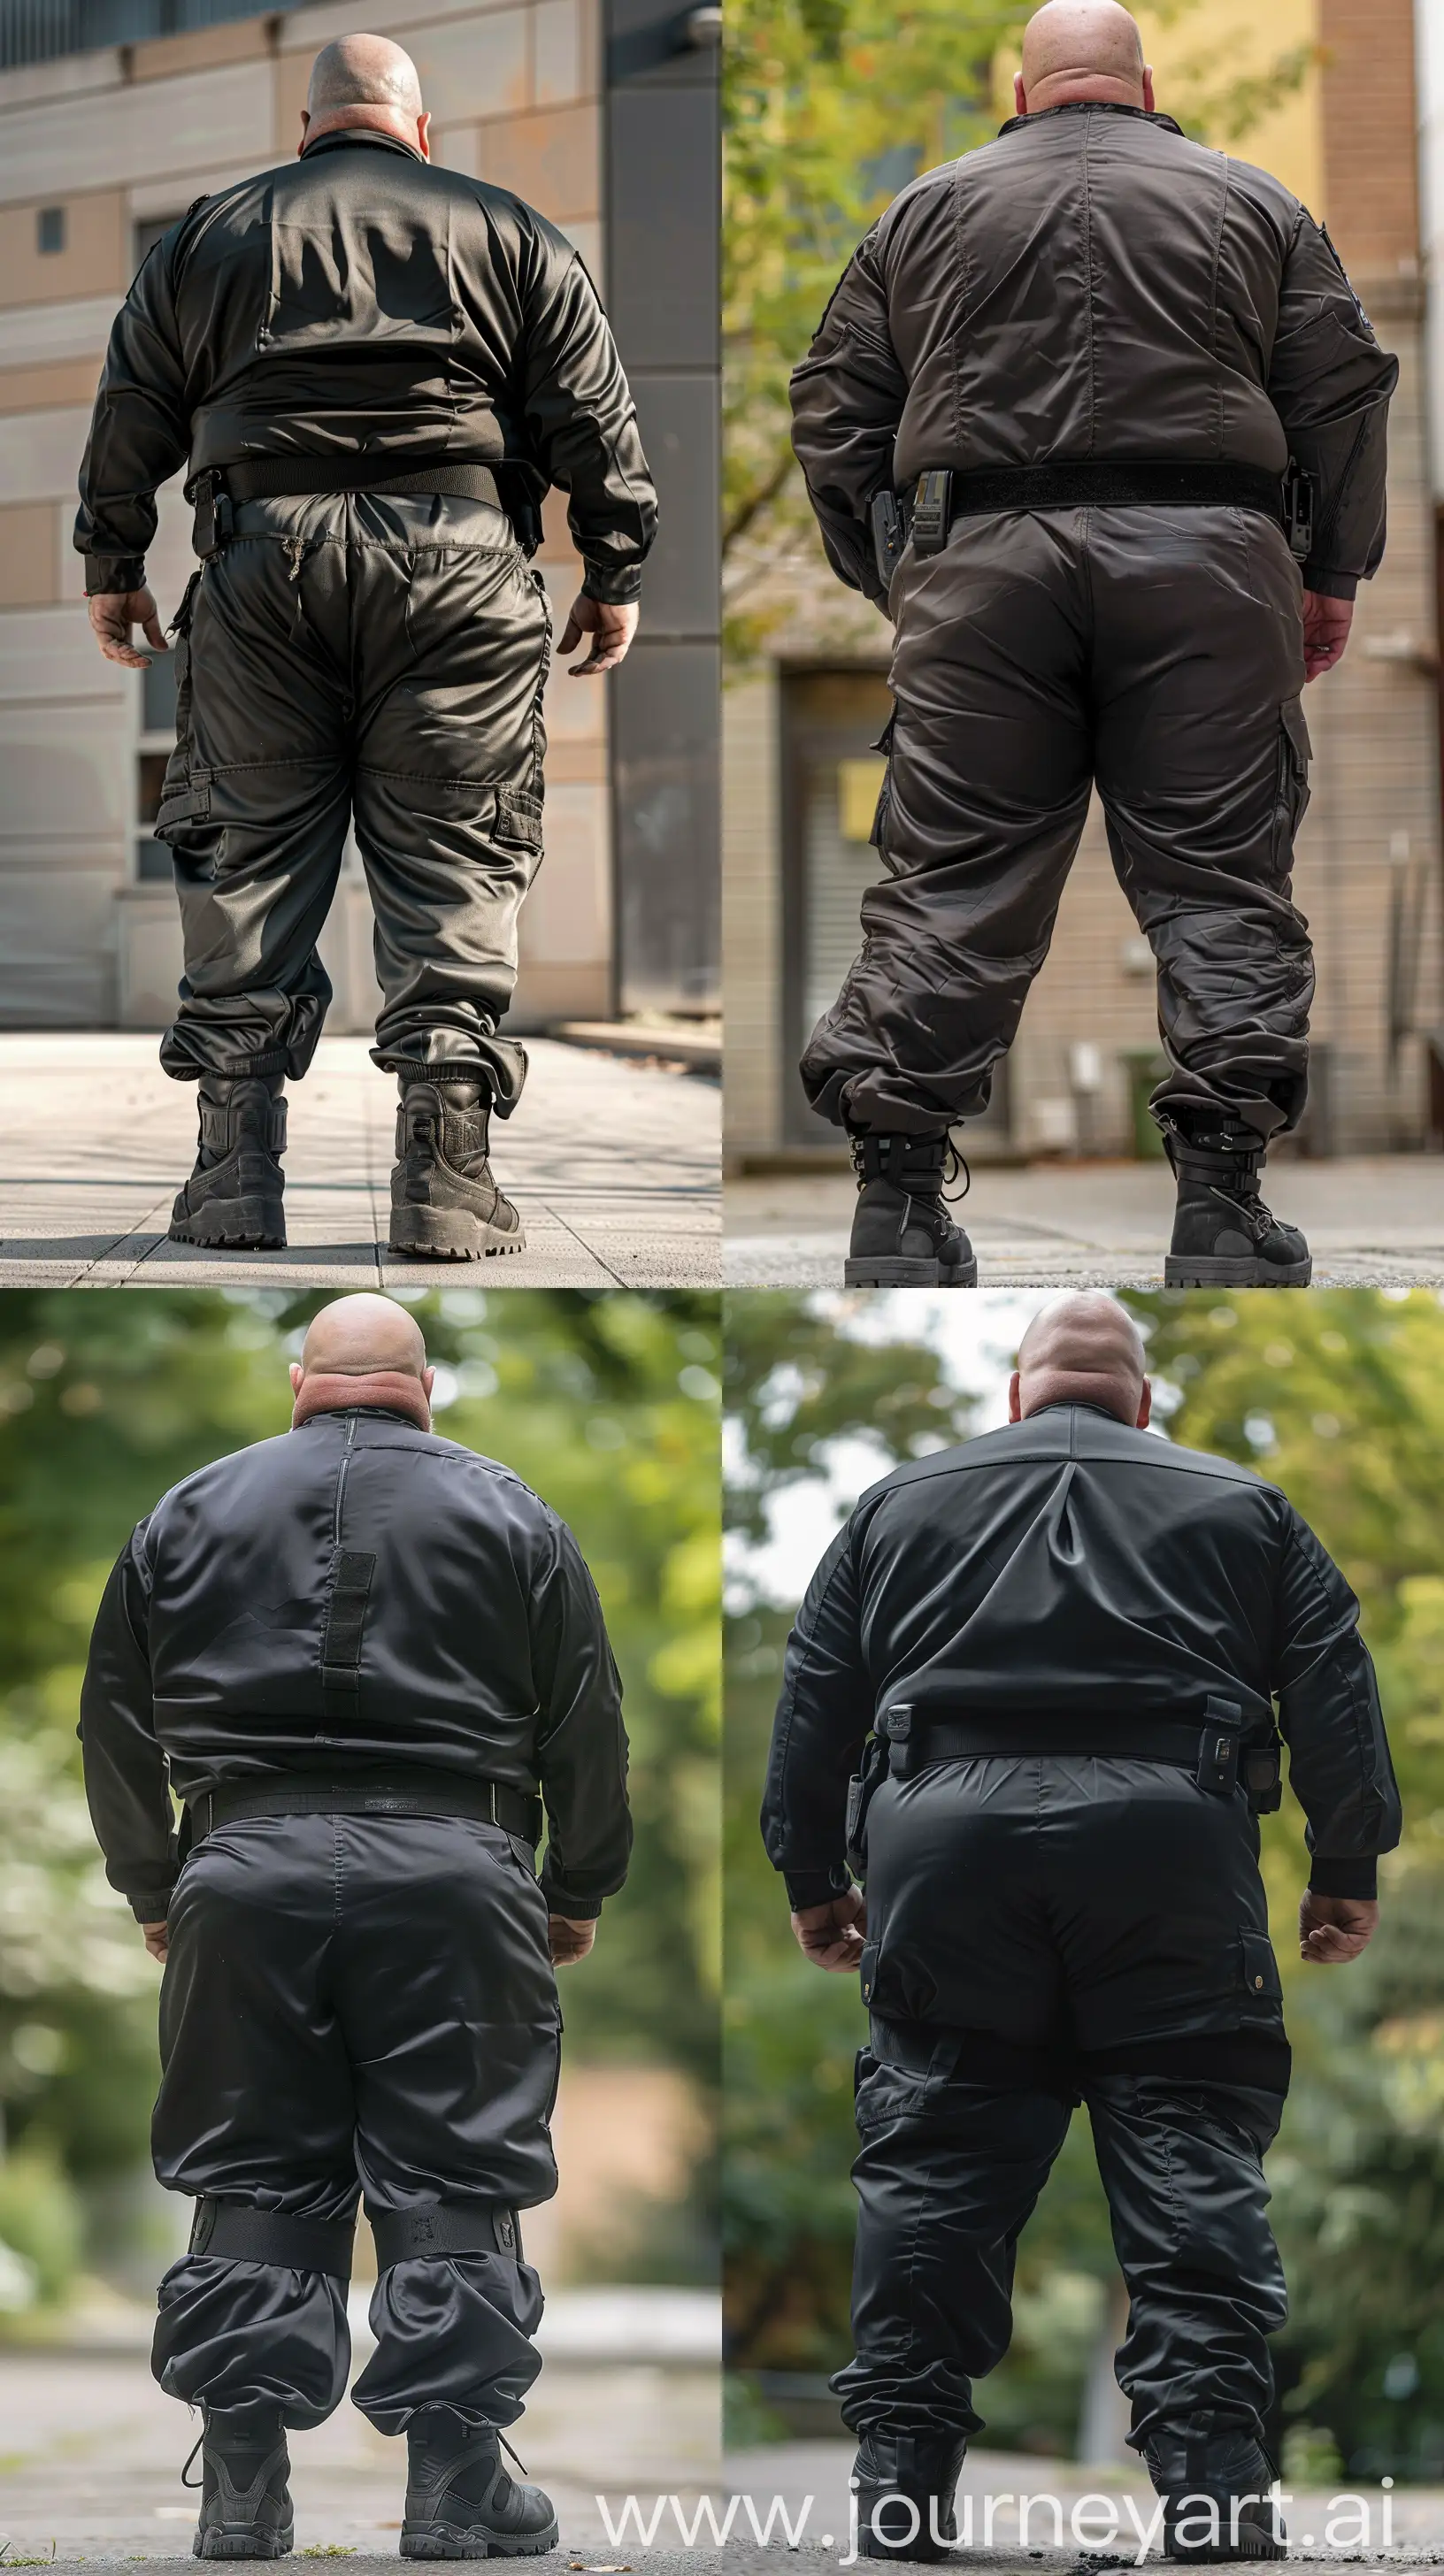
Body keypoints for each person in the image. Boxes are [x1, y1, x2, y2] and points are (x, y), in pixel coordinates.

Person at [762, 1293, 1401, 2562]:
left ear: (1016, 1394)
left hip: (944, 1851)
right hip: (1170, 1850)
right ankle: (1215, 2492)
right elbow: (1334, 1683)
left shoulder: (896, 1505)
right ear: (1144, 1401)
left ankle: (901, 2486)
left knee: (936, 2160)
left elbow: (813, 1701)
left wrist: (811, 1875)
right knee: (1188, 2156)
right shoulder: (1246, 1507)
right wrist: (1344, 1863)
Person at [788, 0, 1397, 1292]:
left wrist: (901, 576)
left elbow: (836, 403)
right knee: (1222, 878)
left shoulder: (924, 211)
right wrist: (1330, 572)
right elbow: (1340, 390)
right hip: (1211, 564)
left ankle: (896, 1208)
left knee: (950, 873)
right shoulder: (1256, 204)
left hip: (983, 567)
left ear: (1022, 91)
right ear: (1146, 85)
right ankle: (1221, 1211)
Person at [78, 36, 657, 1263]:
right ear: (420, 130)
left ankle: (233, 1176)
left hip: (261, 559)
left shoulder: (209, 234)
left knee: (243, 855)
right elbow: (593, 413)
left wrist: (113, 562)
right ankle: (445, 1178)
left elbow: (132, 401)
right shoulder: (514, 232)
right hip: (462, 560)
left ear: (307, 131)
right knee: (457, 849)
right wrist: (615, 569)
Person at [79, 1292, 631, 2559]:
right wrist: (577, 1884)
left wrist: (155, 1883)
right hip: (456, 1871)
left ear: (298, 1383)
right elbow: (586, 1723)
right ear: (423, 1389)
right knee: (456, 2167)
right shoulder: (515, 1512)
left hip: (244, 1872)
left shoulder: (185, 1511)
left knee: (254, 2166)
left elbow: (111, 1720)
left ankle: (241, 2491)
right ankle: (451, 2488)